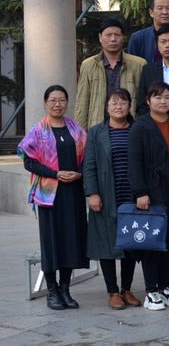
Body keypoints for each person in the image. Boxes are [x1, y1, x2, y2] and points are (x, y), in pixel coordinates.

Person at [18, 85, 88, 310]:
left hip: (73, 192)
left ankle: (65, 289)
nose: (57, 104)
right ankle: (52, 291)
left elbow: (88, 158)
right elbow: (29, 162)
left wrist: (80, 174)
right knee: (51, 242)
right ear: (45, 103)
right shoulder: (38, 131)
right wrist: (55, 173)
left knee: (71, 240)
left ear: (67, 102)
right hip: (49, 195)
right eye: (53, 100)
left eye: (62, 100)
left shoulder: (76, 130)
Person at [128, 82, 169, 311]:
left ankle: (165, 286)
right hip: (152, 191)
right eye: (158, 97)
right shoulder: (140, 126)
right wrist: (140, 193)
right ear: (148, 100)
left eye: (167, 97)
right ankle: (151, 290)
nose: (163, 101)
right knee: (153, 241)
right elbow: (134, 163)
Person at [84, 89, 142, 310]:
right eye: (114, 103)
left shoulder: (138, 129)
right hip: (106, 195)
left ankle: (126, 289)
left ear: (130, 106)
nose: (119, 107)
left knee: (130, 242)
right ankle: (112, 291)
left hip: (132, 194)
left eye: (123, 103)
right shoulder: (96, 132)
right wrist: (92, 193)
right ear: (107, 107)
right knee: (106, 243)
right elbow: (89, 165)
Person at [75, 18, 146, 129]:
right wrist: (80, 133)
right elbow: (82, 103)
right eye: (108, 35)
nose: (113, 39)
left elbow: (143, 103)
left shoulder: (139, 64)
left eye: (117, 35)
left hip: (130, 128)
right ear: (100, 37)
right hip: (97, 128)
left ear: (123, 38)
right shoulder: (88, 65)